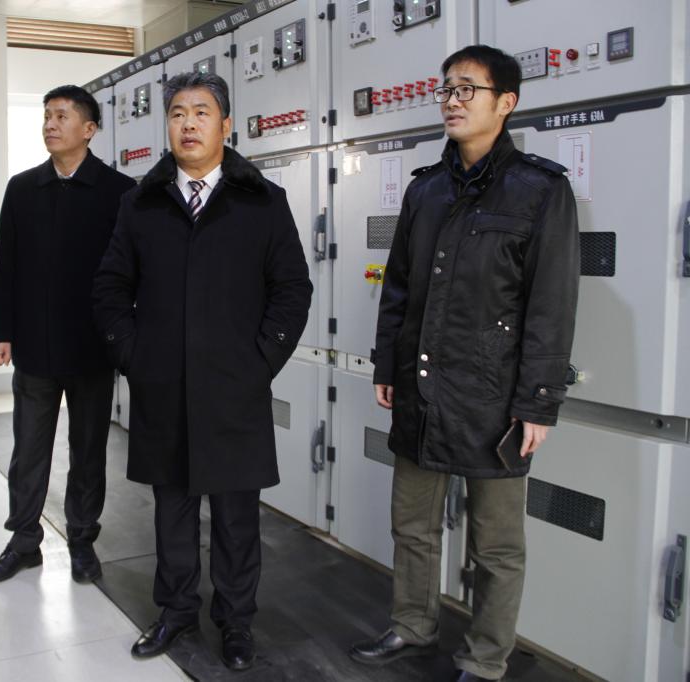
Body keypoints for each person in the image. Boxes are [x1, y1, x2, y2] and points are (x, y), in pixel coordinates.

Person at [348, 45, 580, 682]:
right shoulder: (426, 189)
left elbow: (552, 305)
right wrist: (387, 367)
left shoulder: (540, 190)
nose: (452, 100)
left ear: (506, 103)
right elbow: (399, 287)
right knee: (412, 526)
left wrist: (538, 401)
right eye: (446, 89)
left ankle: (484, 659)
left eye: (467, 89)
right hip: (422, 385)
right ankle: (412, 626)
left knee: (496, 546)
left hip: (494, 395)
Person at [92, 72, 312, 671]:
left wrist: (261, 361)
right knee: (173, 509)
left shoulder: (261, 202)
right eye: (177, 114)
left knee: (237, 515)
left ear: (226, 124)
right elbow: (110, 287)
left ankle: (236, 621)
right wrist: (134, 357)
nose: (188, 124)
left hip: (236, 386)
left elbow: (292, 289)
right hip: (163, 384)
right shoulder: (141, 203)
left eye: (202, 112)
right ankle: (176, 610)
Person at [0, 85, 136, 586]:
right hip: (35, 345)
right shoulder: (23, 188)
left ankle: (82, 540)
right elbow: (5, 262)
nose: (50, 124)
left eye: (62, 116)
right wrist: (0, 330)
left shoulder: (119, 192)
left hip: (92, 347)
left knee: (88, 451)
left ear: (89, 129)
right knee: (29, 449)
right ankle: (24, 541)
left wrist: (123, 337)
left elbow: (132, 272)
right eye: (47, 115)